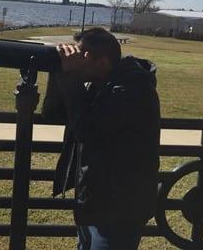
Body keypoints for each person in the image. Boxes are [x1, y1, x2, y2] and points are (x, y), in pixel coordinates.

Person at [42, 27, 160, 250]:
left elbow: (88, 130)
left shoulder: (132, 89)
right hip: (95, 199)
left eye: (81, 57)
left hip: (120, 209)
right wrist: (57, 70)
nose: (76, 62)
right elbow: (53, 114)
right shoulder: (99, 84)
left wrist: (72, 78)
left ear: (102, 62)